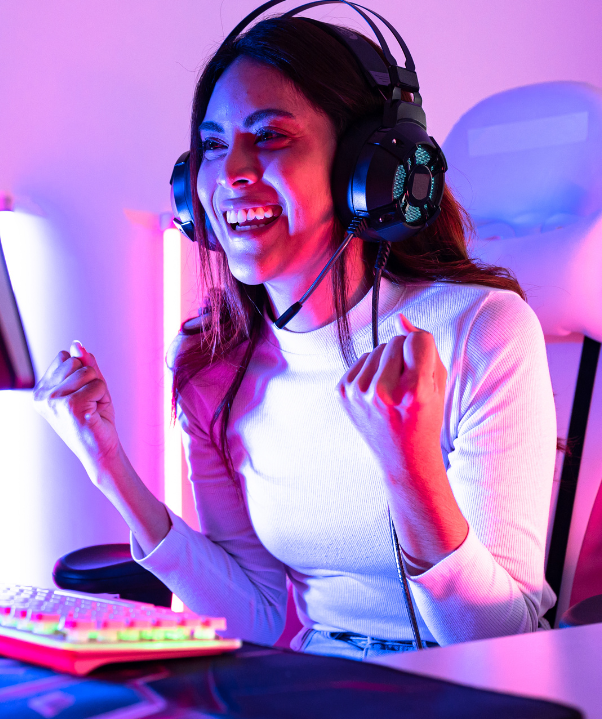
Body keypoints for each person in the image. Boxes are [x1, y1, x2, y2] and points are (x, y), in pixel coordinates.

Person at [34, 15, 556, 661]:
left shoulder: (480, 330)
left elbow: (500, 644)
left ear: (367, 171)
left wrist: (410, 468)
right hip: (316, 687)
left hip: (471, 694)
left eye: (272, 137)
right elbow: (252, 614)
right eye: (214, 145)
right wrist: (108, 467)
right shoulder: (211, 363)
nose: (233, 172)